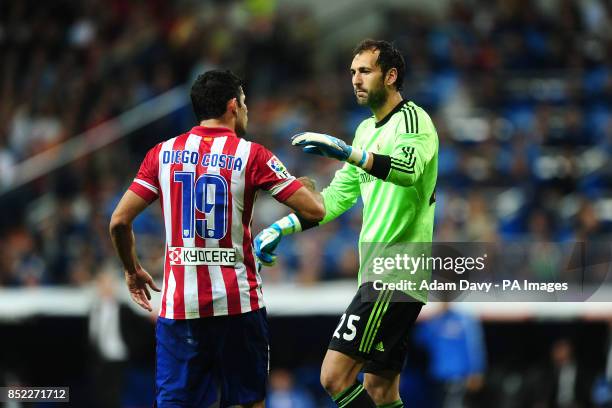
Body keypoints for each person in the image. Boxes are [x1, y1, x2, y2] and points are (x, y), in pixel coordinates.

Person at [109, 69, 324, 408]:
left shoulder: (162, 154)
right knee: (248, 401)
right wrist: (306, 186)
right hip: (238, 305)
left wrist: (131, 268)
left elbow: (119, 221)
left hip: (180, 307)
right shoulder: (253, 155)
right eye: (245, 103)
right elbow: (314, 211)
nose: (247, 110)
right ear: (232, 106)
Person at [255, 39, 439, 408]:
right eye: (352, 72)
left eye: (365, 71)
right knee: (381, 390)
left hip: (396, 271)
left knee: (333, 376)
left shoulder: (414, 120)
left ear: (391, 76)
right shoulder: (365, 131)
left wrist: (345, 152)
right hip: (382, 272)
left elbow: (405, 171)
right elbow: (334, 200)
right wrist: (281, 228)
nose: (355, 79)